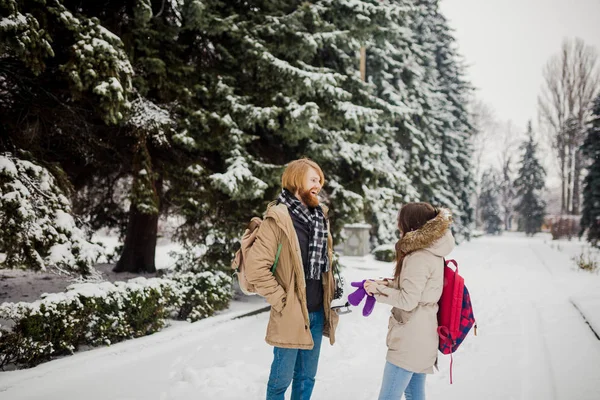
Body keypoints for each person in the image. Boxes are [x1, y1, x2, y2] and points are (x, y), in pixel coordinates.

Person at [245, 158, 339, 400]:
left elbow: (324, 265)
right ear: (297, 180)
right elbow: (257, 268)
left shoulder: (320, 217)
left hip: (317, 311)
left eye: (320, 180)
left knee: (307, 379)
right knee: (281, 381)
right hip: (290, 312)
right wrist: (282, 301)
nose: (319, 184)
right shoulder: (277, 219)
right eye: (313, 179)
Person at [364, 202, 455, 400]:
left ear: (410, 223)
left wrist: (377, 290)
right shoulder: (432, 252)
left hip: (410, 339)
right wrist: (386, 284)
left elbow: (408, 300)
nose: (398, 224)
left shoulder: (419, 256)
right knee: (415, 394)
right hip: (423, 334)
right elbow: (418, 289)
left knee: (388, 396)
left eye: (400, 220)